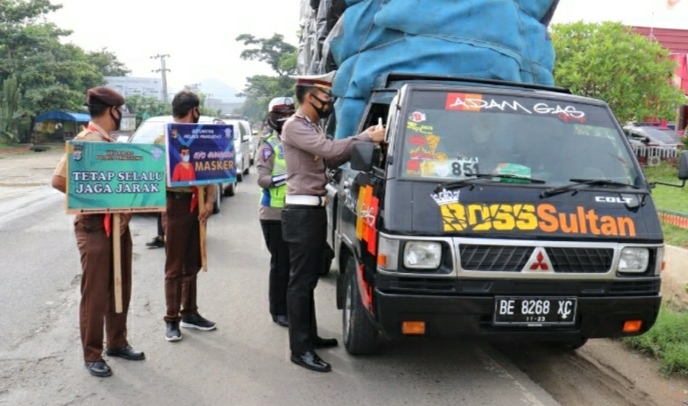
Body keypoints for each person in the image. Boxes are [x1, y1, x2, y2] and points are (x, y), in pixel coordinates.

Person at [280, 71, 385, 373]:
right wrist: (365, 137)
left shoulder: (310, 127)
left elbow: (329, 158)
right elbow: (328, 150)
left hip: (311, 211)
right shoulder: (295, 126)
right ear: (309, 96)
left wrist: (363, 148)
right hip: (301, 213)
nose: (329, 102)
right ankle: (300, 350)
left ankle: (308, 336)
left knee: (310, 278)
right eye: (325, 96)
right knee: (300, 283)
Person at [51, 86, 145, 378]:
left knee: (121, 284)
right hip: (94, 226)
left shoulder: (110, 142)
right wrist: (95, 200)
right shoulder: (86, 142)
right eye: (121, 111)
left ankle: (117, 342)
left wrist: (124, 205)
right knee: (95, 292)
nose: (121, 117)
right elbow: (58, 180)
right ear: (112, 111)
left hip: (119, 225)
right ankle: (92, 353)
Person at [163, 90, 217, 342]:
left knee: (193, 262)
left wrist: (209, 199)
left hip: (197, 205)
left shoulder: (202, 137)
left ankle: (190, 313)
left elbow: (215, 166)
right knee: (174, 266)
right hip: (175, 204)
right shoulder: (162, 139)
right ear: (194, 110)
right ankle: (171, 319)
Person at [257, 96, 296, 328]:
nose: (285, 119)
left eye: (289, 114)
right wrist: (290, 177)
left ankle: (291, 307)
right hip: (273, 213)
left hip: (297, 210)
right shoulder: (268, 145)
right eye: (281, 115)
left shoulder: (299, 140)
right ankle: (278, 310)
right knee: (281, 263)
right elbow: (262, 179)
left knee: (294, 265)